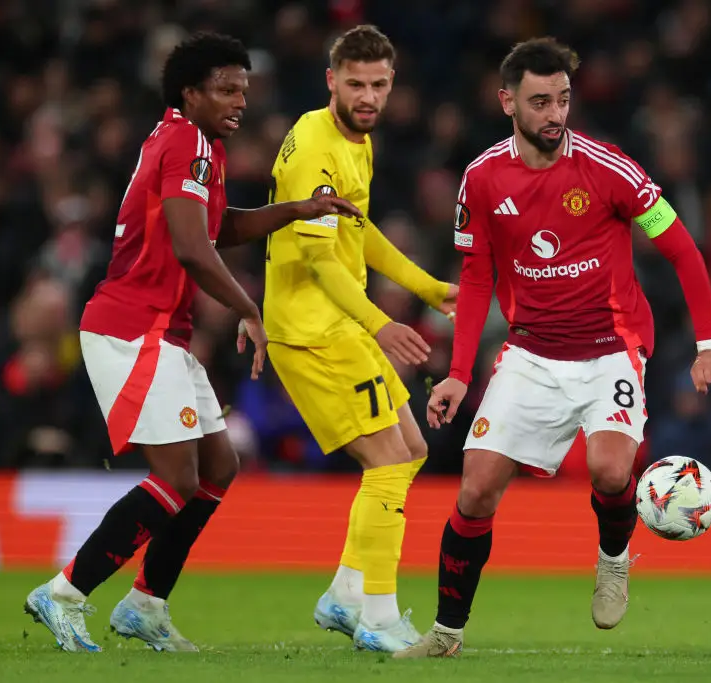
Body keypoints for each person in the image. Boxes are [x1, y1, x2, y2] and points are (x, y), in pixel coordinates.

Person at [23, 32, 361, 653]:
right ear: (190, 92)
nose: (240, 102)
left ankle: (146, 604)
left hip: (162, 330)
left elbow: (216, 227)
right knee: (177, 477)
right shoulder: (187, 142)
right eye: (226, 90)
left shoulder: (194, 143)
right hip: (134, 326)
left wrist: (294, 210)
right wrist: (247, 307)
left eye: (244, 91)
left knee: (218, 467)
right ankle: (64, 592)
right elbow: (190, 247)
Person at [397, 37, 711, 658]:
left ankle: (613, 558)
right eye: (540, 101)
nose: (555, 114)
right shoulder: (481, 178)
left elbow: (682, 248)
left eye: (563, 100)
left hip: (611, 349)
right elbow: (476, 277)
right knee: (475, 491)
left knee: (610, 470)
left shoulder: (609, 169)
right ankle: (446, 634)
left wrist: (708, 342)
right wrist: (459, 373)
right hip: (530, 354)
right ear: (507, 102)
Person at [264, 25, 457, 653]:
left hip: (339, 323)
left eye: (378, 84)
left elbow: (358, 231)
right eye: (355, 84)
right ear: (332, 81)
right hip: (313, 329)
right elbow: (320, 260)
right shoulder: (317, 150)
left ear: (392, 83)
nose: (368, 96)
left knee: (411, 448)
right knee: (389, 462)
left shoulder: (356, 140)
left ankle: (347, 594)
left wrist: (428, 287)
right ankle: (377, 615)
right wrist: (382, 323)